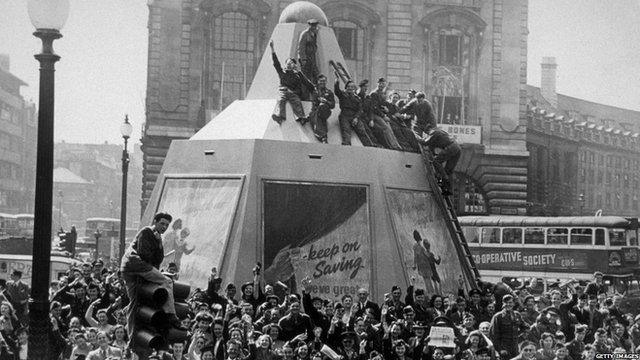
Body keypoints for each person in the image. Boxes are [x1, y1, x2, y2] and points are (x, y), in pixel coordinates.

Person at [120, 212, 182, 350]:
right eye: (162, 223)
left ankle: (131, 338)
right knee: (167, 282)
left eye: (167, 225)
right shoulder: (147, 232)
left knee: (134, 303)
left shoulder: (158, 237)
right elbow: (145, 255)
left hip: (132, 268)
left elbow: (157, 259)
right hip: (137, 266)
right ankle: (171, 314)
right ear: (155, 221)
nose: (164, 227)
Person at [270, 40, 315, 125]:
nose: (289, 64)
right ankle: (279, 116)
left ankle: (301, 117)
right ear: (285, 64)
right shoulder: (282, 72)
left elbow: (306, 82)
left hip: (293, 92)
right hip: (283, 90)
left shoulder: (297, 74)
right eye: (288, 63)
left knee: (297, 101)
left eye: (291, 63)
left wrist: (313, 88)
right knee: (281, 100)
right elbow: (276, 63)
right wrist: (272, 49)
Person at [333, 73, 375, 146]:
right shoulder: (342, 94)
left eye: (352, 87)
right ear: (346, 87)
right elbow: (337, 90)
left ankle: (369, 146)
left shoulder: (357, 98)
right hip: (344, 115)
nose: (350, 88)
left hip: (354, 116)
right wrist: (337, 81)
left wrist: (356, 118)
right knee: (346, 131)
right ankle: (346, 146)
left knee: (362, 131)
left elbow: (360, 109)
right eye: (348, 87)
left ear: (354, 88)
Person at [418, 126, 461, 196]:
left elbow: (425, 142)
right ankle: (449, 189)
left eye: (427, 133)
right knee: (448, 170)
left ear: (428, 130)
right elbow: (432, 148)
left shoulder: (434, 132)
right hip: (457, 148)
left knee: (436, 162)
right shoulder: (441, 132)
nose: (428, 134)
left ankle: (445, 179)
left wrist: (417, 138)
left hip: (451, 147)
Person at [367, 78, 402, 150]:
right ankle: (392, 146)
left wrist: (386, 110)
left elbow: (382, 105)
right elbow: (374, 107)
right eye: (381, 84)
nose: (382, 86)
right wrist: (383, 116)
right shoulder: (374, 94)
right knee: (385, 127)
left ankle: (396, 145)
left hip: (380, 114)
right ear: (378, 84)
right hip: (373, 114)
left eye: (383, 84)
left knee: (389, 127)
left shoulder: (382, 94)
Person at [308, 74, 335, 143]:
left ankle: (321, 135)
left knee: (321, 106)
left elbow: (333, 105)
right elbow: (306, 82)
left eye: (324, 81)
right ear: (317, 81)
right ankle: (324, 137)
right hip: (315, 110)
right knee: (316, 117)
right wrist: (299, 72)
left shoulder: (329, 92)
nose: (322, 82)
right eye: (321, 81)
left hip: (325, 111)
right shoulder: (314, 89)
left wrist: (326, 102)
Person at [297, 19, 320, 87]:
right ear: (309, 26)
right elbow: (301, 47)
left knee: (316, 75)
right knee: (306, 77)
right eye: (312, 25)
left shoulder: (314, 34)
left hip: (312, 57)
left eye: (315, 26)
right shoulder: (305, 34)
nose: (314, 27)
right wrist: (303, 59)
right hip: (306, 58)